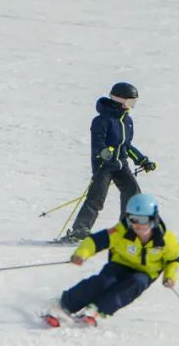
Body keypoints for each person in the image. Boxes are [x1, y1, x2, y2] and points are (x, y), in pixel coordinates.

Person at [49, 193, 179, 326]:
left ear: (154, 219)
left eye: (143, 220)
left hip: (145, 272)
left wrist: (169, 277)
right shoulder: (121, 231)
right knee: (104, 281)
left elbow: (174, 260)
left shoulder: (166, 240)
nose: (138, 225)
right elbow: (96, 241)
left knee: (135, 283)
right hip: (120, 264)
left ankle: (96, 310)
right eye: (133, 219)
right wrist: (81, 254)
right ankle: (66, 304)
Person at [59, 81, 157, 243]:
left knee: (133, 193)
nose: (131, 106)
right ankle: (79, 231)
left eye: (134, 102)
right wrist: (102, 153)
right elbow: (97, 143)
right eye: (130, 102)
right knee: (96, 198)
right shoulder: (101, 120)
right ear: (119, 100)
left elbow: (126, 146)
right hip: (104, 166)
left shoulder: (127, 121)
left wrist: (142, 160)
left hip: (121, 165)